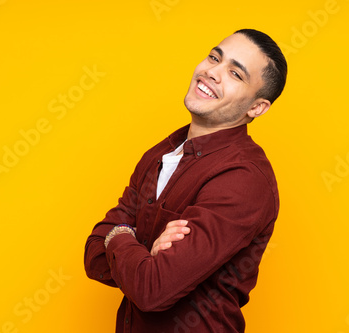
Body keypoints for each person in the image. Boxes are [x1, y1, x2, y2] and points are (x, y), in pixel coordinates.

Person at [84, 28, 287, 333]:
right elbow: (94, 256)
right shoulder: (161, 153)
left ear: (256, 107)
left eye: (235, 73)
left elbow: (151, 290)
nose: (212, 72)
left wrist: (121, 238)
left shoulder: (243, 180)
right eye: (214, 57)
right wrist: (144, 252)